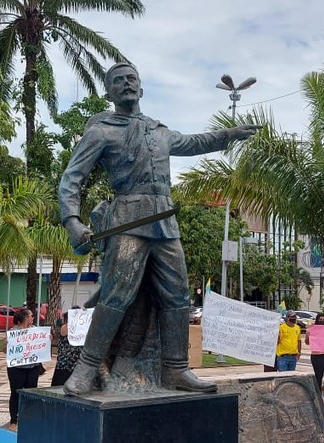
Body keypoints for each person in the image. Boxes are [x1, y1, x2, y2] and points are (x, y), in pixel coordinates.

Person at [57, 62, 259, 396]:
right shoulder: (101, 130)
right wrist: (72, 221)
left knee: (177, 295)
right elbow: (71, 179)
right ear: (108, 92)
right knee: (116, 296)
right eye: (118, 81)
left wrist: (228, 135)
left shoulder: (158, 130)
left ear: (141, 87)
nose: (126, 84)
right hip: (127, 222)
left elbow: (194, 143)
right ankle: (86, 368)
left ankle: (176, 369)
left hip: (165, 222)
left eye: (131, 79)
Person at [6, 309, 42, 431]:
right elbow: (5, 349)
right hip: (17, 368)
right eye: (31, 316)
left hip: (33, 367)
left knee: (31, 393)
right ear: (25, 317)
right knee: (16, 393)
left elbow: (41, 345)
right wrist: (8, 344)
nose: (33, 318)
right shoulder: (13, 332)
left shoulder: (36, 331)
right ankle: (14, 420)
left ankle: (29, 418)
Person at [52, 308, 83, 387]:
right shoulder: (64, 327)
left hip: (77, 362)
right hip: (65, 363)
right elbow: (63, 332)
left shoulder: (82, 328)